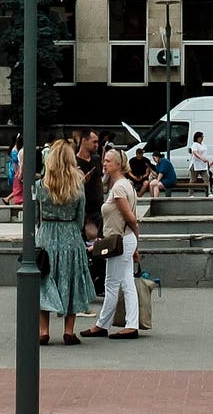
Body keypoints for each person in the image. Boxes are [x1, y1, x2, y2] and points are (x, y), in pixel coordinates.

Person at [36, 138, 93, 345]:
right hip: (70, 234)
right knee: (71, 280)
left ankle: (43, 331)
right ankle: (69, 331)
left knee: (44, 280)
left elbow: (36, 217)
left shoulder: (40, 185)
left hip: (46, 235)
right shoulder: (78, 185)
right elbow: (80, 217)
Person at [83, 145, 140, 338]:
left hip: (120, 240)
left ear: (118, 164)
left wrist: (136, 240)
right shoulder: (125, 185)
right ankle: (127, 324)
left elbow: (131, 218)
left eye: (108, 161)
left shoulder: (119, 188)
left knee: (112, 283)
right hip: (124, 239)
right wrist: (135, 243)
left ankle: (104, 324)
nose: (104, 164)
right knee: (126, 282)